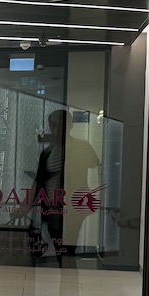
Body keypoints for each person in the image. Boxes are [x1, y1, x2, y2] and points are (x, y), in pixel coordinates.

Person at [33, 109, 99, 264]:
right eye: (53, 125)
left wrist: (73, 152)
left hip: (73, 207)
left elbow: (94, 162)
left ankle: (69, 277)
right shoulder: (47, 153)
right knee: (60, 248)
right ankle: (68, 277)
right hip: (51, 207)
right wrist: (26, 206)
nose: (55, 130)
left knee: (68, 247)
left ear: (69, 126)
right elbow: (38, 182)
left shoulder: (81, 146)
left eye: (59, 125)